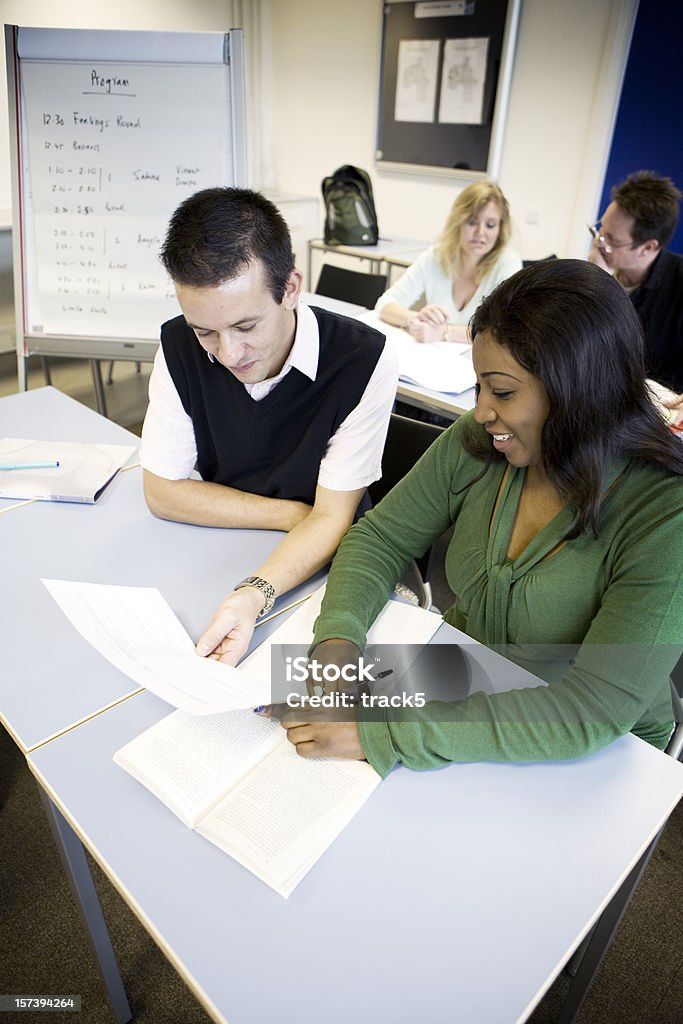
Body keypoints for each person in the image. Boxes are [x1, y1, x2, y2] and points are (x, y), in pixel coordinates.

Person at [277, 260, 683, 775]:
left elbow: (595, 710)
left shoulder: (665, 512)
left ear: (579, 390)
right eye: (479, 388)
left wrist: (383, 731)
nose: (483, 411)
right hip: (464, 680)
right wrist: (337, 640)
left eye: (504, 392)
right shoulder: (484, 440)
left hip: (597, 744)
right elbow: (379, 539)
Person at [139, 187, 398, 665]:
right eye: (206, 332)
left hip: (327, 567)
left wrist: (254, 592)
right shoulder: (179, 344)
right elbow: (162, 493)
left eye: (246, 327)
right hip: (228, 544)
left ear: (291, 288)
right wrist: (291, 515)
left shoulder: (364, 359)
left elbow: (333, 519)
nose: (228, 354)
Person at [374, 181, 522, 344]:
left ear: (500, 228)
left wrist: (444, 332)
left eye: (490, 225)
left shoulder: (508, 263)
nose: (480, 233)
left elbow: (503, 330)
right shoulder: (436, 256)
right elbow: (384, 305)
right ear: (458, 221)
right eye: (472, 222)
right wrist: (415, 320)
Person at [589, 170, 683, 425]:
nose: (599, 243)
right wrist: (593, 281)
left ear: (648, 247)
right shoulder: (599, 268)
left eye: (612, 240)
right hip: (593, 402)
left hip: (653, 419)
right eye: (600, 230)